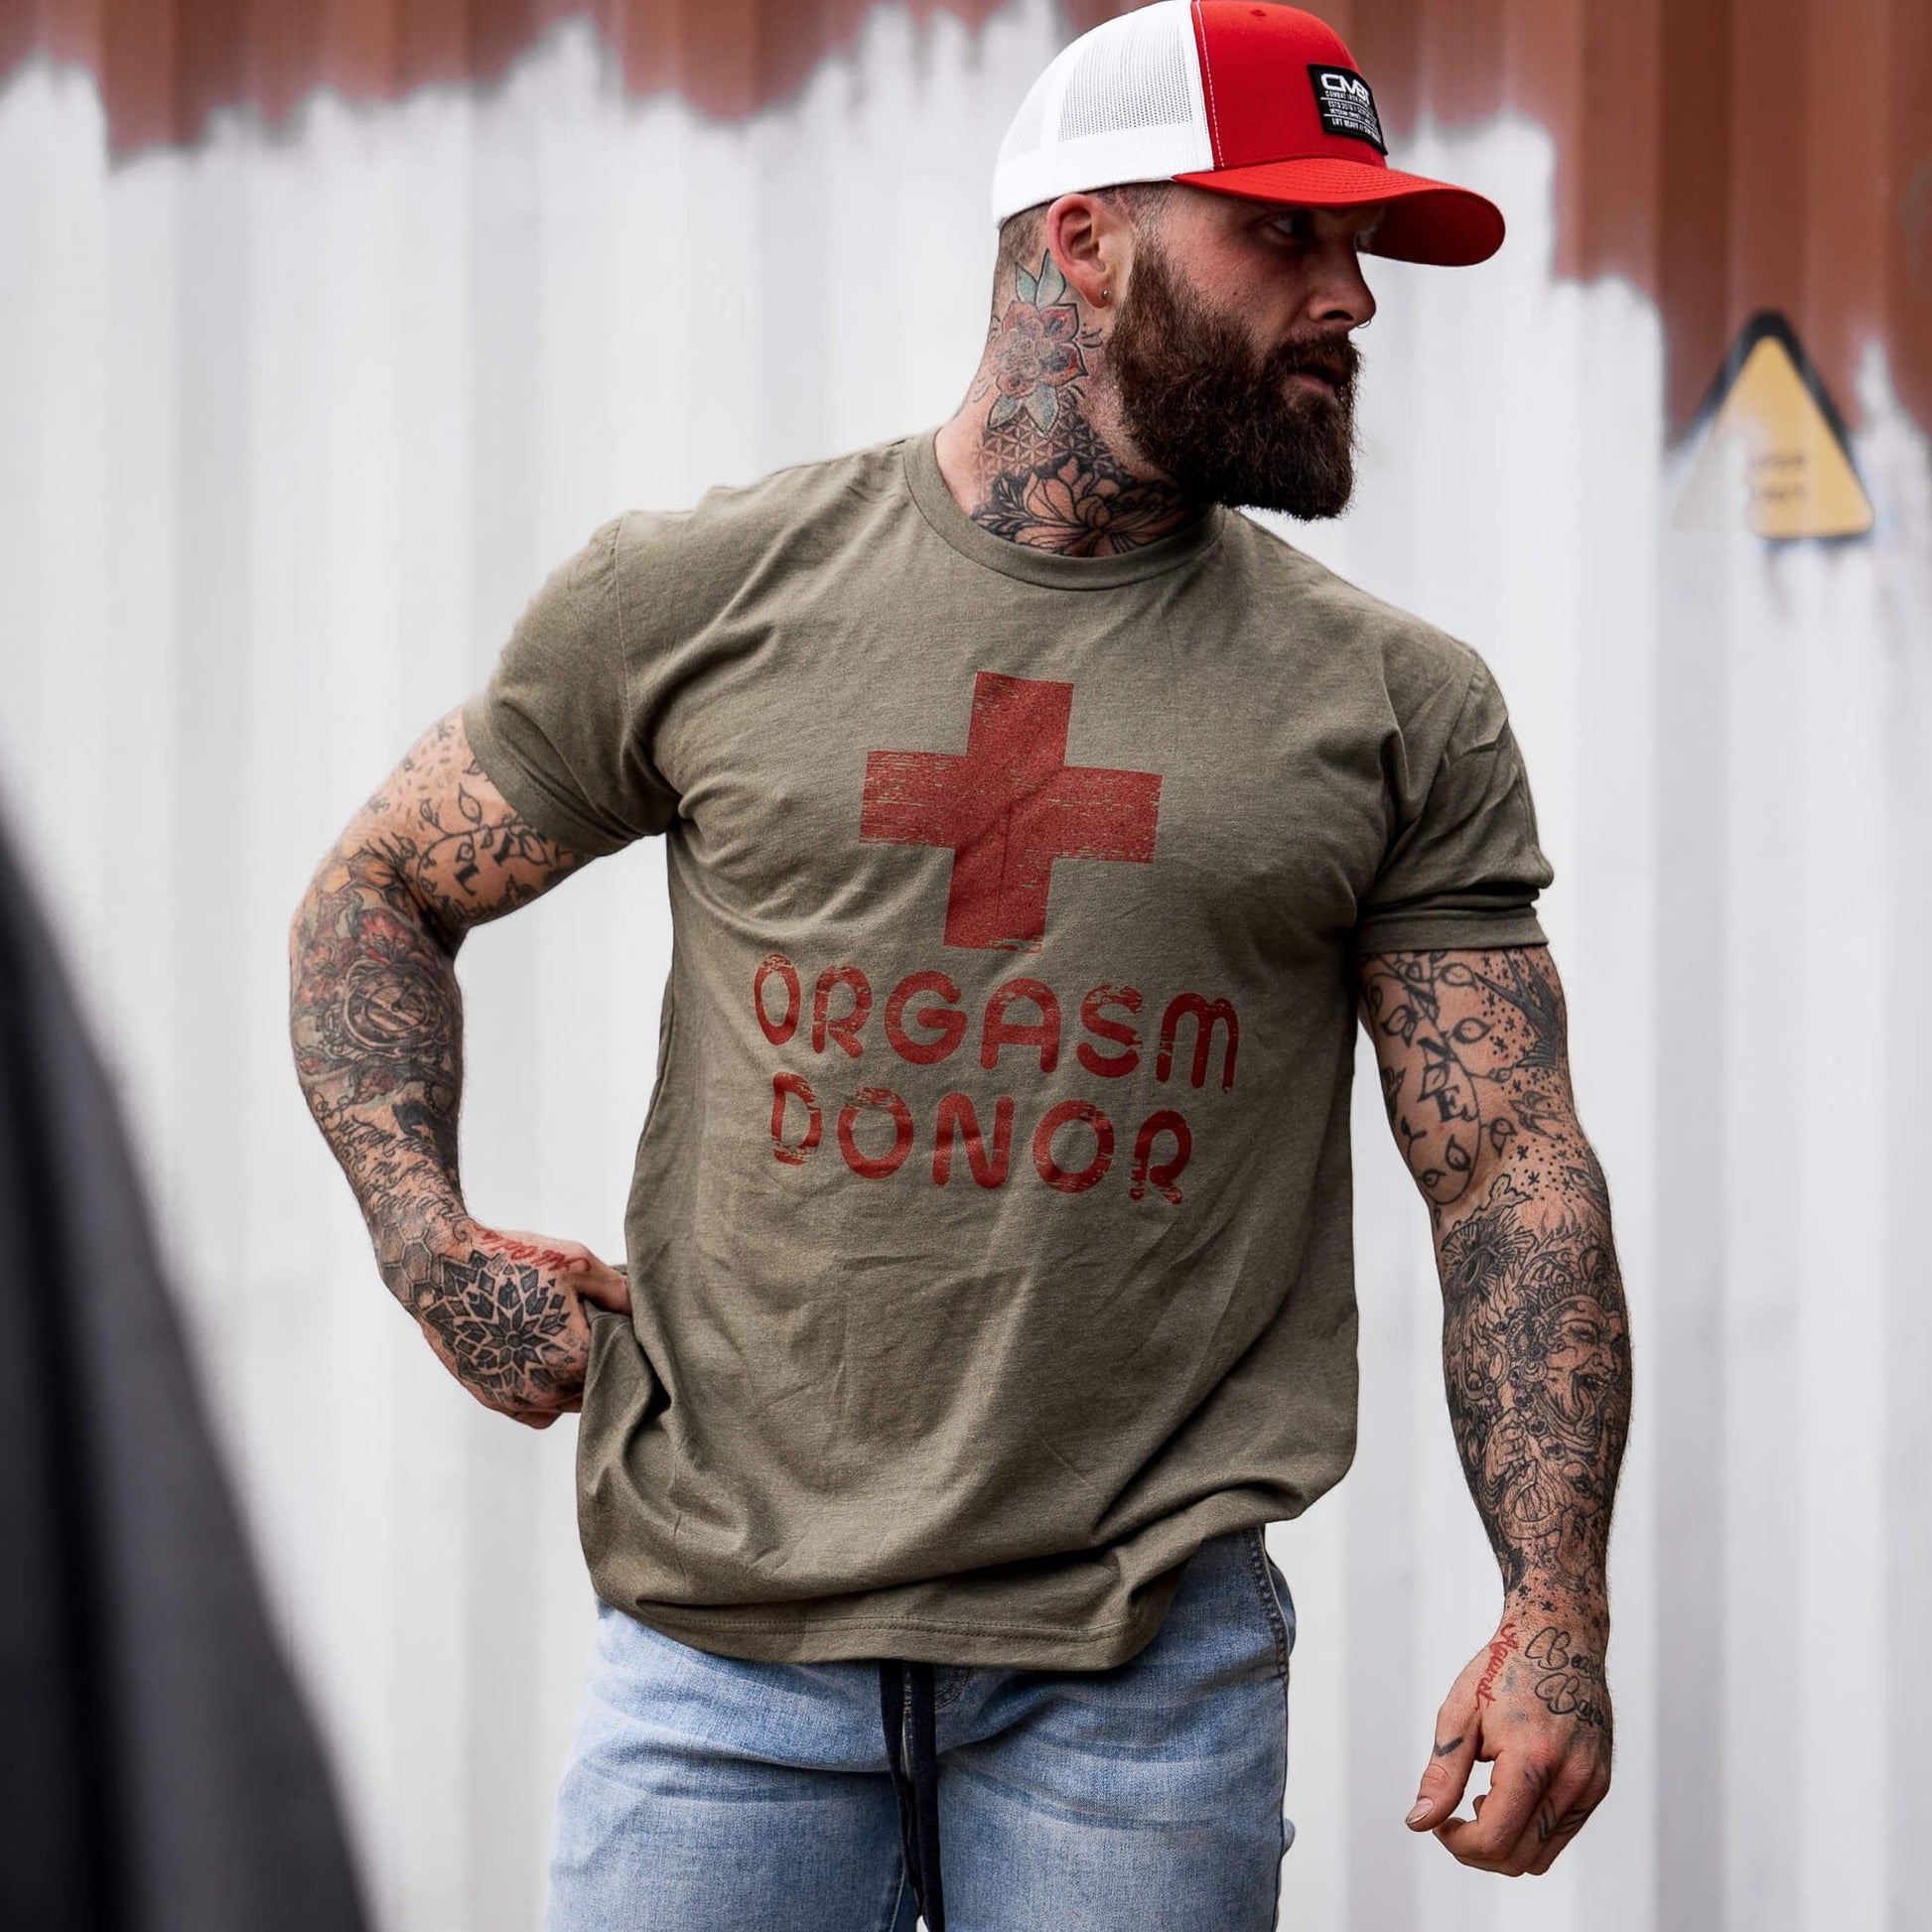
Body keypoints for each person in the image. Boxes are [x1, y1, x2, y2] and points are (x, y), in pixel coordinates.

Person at [287, 4, 1630, 1926]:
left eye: (1358, 247)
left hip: (1138, 1676)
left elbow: (1504, 1166)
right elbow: (378, 891)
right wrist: (427, 1245)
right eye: (1281, 233)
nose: (1348, 297)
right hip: (717, 1656)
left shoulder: (1397, 704)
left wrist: (1554, 1604)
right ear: (1084, 240)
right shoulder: (701, 597)